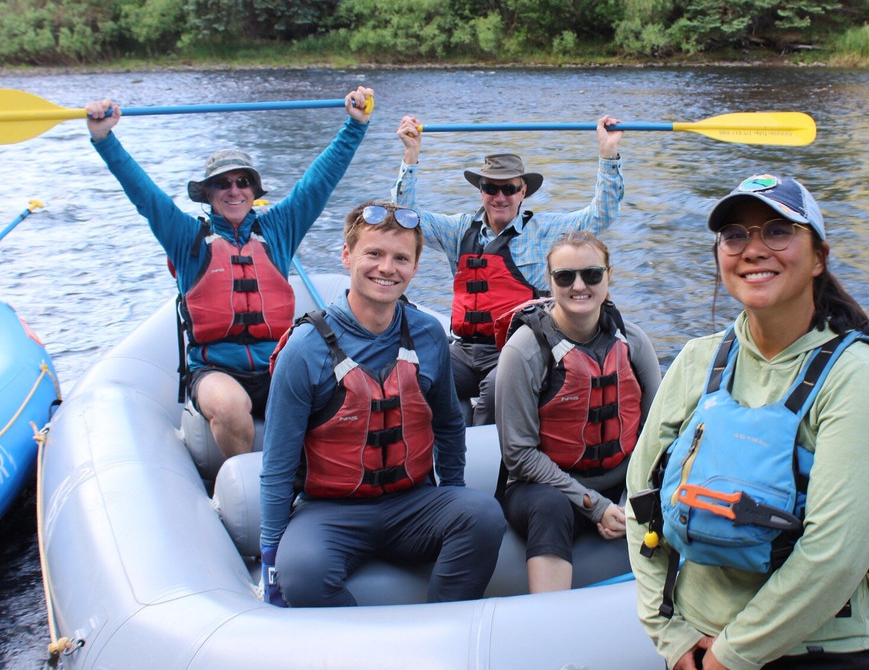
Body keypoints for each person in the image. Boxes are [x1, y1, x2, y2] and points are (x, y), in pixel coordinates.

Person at [626, 175, 869, 670]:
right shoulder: (697, 360)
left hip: (819, 653)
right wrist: (668, 631)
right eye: (735, 235)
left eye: (777, 231)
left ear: (818, 257)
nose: (753, 249)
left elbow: (837, 549)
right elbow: (641, 501)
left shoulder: (856, 375)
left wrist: (740, 649)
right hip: (700, 644)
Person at [85, 86, 375, 460]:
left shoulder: (278, 229)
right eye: (222, 183)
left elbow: (319, 182)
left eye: (242, 182)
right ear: (208, 194)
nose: (234, 191)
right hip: (214, 371)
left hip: (277, 364)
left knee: (344, 393)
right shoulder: (186, 237)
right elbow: (144, 195)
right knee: (231, 406)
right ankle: (244, 484)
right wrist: (105, 139)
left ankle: (320, 477)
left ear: (253, 190)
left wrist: (355, 126)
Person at [259, 201, 506, 608]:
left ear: (415, 266)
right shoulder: (304, 349)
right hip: (330, 511)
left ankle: (442, 625)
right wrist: (270, 557)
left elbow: (448, 425)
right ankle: (363, 643)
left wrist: (452, 496)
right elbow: (278, 463)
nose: (387, 268)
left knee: (483, 516)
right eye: (374, 254)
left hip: (413, 502)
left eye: (401, 258)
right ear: (347, 256)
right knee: (302, 574)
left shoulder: (428, 334)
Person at [391, 114, 626, 424]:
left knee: (494, 391)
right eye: (491, 188)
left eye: (509, 189)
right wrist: (411, 154)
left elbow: (601, 215)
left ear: (522, 192)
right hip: (463, 350)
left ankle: (480, 446)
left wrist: (608, 154)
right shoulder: (458, 230)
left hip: (518, 348)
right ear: (481, 191)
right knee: (415, 377)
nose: (499, 197)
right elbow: (406, 217)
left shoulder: (543, 230)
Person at [495, 231, 661, 593]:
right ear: (549, 280)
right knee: (550, 507)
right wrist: (595, 506)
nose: (579, 286)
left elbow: (657, 434)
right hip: (542, 487)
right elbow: (519, 456)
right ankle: (550, 615)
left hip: (620, 481)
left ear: (609, 276)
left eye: (592, 274)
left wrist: (629, 499)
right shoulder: (524, 352)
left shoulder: (634, 343)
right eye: (565, 276)